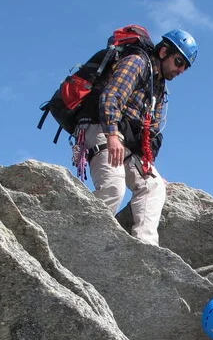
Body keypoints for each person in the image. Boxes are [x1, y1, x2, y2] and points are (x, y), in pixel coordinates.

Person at [75, 28, 197, 246]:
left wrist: (149, 167)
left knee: (154, 186)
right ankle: (82, 241)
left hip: (128, 143)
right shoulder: (137, 62)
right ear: (163, 52)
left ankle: (146, 248)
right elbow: (111, 97)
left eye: (185, 67)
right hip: (101, 128)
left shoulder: (159, 88)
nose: (181, 70)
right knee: (113, 187)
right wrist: (112, 134)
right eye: (178, 62)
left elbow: (152, 132)